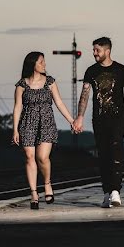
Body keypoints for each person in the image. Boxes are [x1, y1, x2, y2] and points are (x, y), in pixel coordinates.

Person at [72, 36, 124, 208]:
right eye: (93, 50)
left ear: (107, 51)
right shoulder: (91, 71)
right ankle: (106, 192)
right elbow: (85, 96)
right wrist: (80, 117)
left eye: (97, 50)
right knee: (103, 155)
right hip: (98, 119)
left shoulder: (121, 70)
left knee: (115, 151)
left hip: (118, 118)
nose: (94, 53)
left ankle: (116, 191)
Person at [12, 51, 75, 210]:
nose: (44, 64)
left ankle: (47, 183)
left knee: (42, 157)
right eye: (41, 62)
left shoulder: (50, 82)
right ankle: (34, 193)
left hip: (46, 122)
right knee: (29, 156)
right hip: (27, 123)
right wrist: (15, 130)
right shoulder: (21, 85)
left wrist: (72, 121)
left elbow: (59, 103)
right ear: (33, 64)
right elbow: (18, 107)